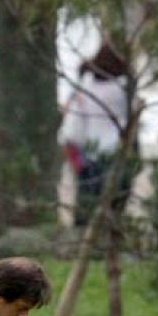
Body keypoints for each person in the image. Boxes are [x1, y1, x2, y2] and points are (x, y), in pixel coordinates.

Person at [57, 43, 129, 226]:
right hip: (115, 151)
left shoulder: (85, 88)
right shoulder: (122, 90)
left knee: (87, 206)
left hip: (89, 152)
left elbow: (73, 126)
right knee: (114, 206)